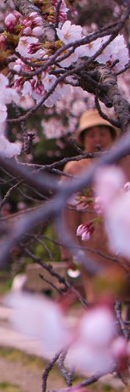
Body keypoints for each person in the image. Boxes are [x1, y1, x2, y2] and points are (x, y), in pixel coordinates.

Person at [63, 109, 130, 302]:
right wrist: (68, 252)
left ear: (111, 136)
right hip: (91, 247)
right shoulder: (75, 169)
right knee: (99, 300)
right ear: (83, 139)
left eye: (102, 133)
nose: (97, 139)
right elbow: (68, 214)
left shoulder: (124, 163)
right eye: (91, 134)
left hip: (122, 243)